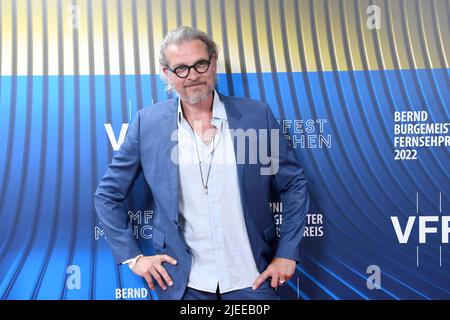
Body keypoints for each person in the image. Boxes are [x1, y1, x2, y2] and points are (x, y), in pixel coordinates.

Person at [94, 26, 308, 300]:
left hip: (252, 276)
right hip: (183, 284)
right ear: (166, 74)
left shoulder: (257, 116)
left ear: (214, 61)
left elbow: (293, 183)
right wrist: (133, 258)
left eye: (200, 64)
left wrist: (287, 253)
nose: (192, 76)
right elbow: (107, 195)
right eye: (181, 68)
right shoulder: (146, 124)